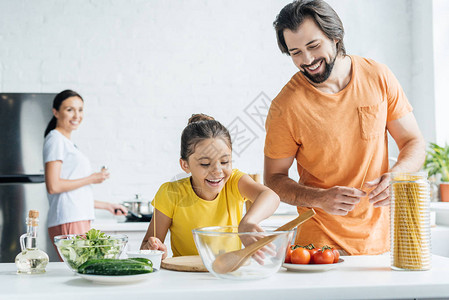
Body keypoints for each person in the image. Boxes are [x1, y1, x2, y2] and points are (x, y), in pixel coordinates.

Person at [264, 0, 425, 255]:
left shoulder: (378, 77)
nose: (307, 60)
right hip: (318, 247)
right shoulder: (285, 107)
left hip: (382, 242)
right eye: (295, 53)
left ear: (335, 37)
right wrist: (318, 199)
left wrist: (397, 176)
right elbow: (274, 179)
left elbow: (413, 142)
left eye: (313, 46)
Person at [141, 114, 280, 258]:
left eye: (225, 161)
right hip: (184, 277)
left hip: (228, 274)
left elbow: (271, 196)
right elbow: (147, 246)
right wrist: (155, 250)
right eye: (205, 164)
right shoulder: (170, 193)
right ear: (185, 165)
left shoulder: (234, 181)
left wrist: (248, 222)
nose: (217, 171)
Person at [43, 90, 127, 246]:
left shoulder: (66, 143)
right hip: (69, 218)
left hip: (76, 218)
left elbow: (74, 193)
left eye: (80, 110)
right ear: (56, 112)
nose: (77, 115)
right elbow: (53, 186)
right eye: (70, 110)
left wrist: (108, 206)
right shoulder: (55, 140)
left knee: (82, 269)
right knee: (82, 268)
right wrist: (92, 178)